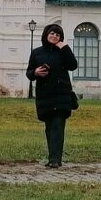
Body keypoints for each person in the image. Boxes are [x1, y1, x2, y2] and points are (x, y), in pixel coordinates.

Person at [25, 26, 78, 168]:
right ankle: (52, 158)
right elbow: (29, 73)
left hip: (61, 95)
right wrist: (35, 72)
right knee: (49, 128)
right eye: (52, 33)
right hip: (45, 95)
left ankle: (55, 159)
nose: (54, 36)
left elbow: (73, 65)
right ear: (46, 34)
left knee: (58, 127)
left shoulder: (63, 51)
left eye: (58, 34)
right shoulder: (37, 53)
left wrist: (64, 47)